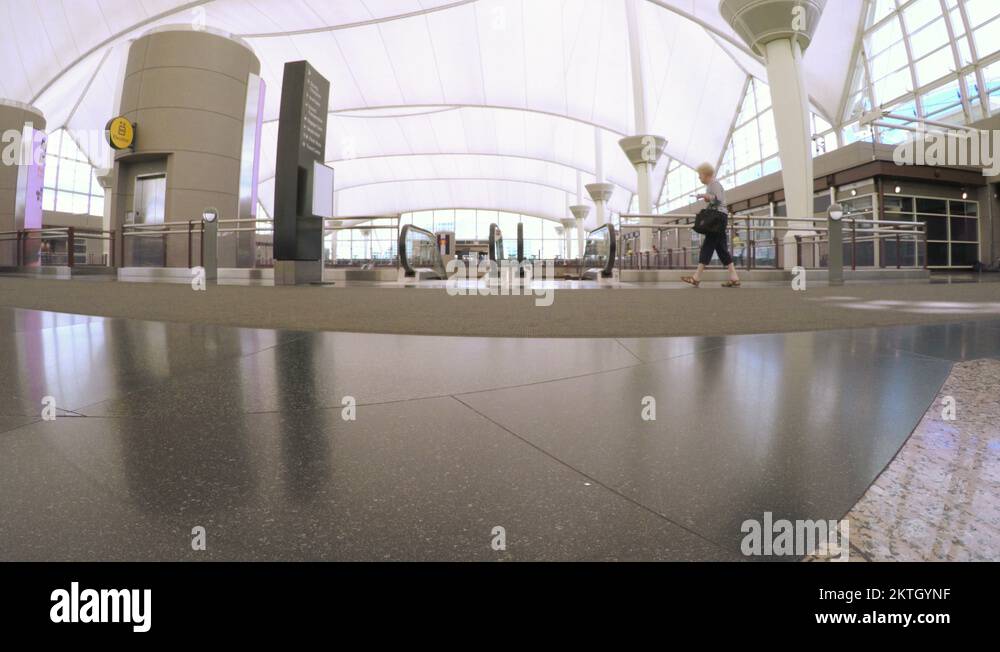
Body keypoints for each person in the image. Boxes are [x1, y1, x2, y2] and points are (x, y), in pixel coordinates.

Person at [682, 163, 741, 288]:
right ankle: (734, 277)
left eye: (700, 175)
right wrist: (706, 197)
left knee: (708, 245)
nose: (699, 178)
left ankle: (696, 277)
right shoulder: (713, 184)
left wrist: (706, 196)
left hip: (717, 218)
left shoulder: (713, 184)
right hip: (720, 218)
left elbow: (718, 199)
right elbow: (717, 199)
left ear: (705, 174)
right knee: (721, 248)